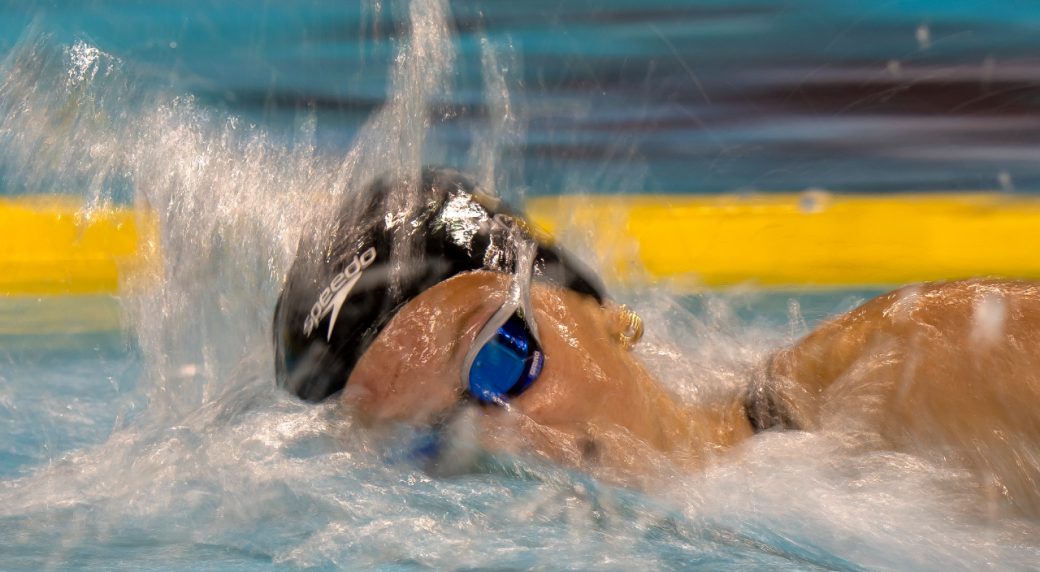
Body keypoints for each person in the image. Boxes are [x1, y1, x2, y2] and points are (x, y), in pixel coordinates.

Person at [273, 167, 1040, 516]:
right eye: (433, 445)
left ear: (605, 315)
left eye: (501, 359)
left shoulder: (909, 373)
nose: (508, 442)